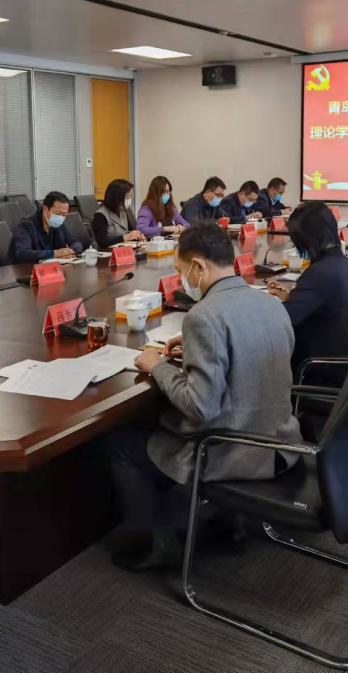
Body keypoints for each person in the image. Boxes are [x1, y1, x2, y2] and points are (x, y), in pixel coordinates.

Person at [110, 223, 301, 571]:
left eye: (181, 271)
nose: (182, 280)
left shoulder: (203, 315)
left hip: (234, 450)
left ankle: (157, 542)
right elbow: (251, 355)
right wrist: (197, 350)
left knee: (122, 445)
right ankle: (223, 520)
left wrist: (156, 366)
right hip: (280, 441)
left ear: (198, 267)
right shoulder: (271, 303)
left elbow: (200, 407)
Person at [265, 201, 348, 381]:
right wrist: (293, 297)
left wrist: (259, 306)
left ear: (306, 239)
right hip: (345, 359)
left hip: (318, 368)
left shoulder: (320, 272)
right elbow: (325, 305)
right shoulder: (346, 264)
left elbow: (283, 320)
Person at [10, 190, 84, 263]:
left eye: (64, 215)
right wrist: (55, 254)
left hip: (52, 266)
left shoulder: (58, 224)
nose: (61, 218)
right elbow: (22, 253)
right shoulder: (26, 225)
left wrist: (71, 251)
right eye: (58, 213)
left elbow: (75, 242)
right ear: (45, 209)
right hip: (26, 268)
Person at [92, 178, 146, 249]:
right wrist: (124, 238)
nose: (129, 200)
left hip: (125, 250)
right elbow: (102, 244)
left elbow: (129, 231)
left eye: (130, 197)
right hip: (108, 253)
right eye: (127, 197)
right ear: (117, 198)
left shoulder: (124, 211)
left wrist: (138, 236)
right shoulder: (100, 216)